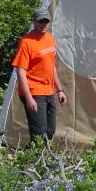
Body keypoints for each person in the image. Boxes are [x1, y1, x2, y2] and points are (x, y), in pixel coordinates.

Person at [11, 8, 67, 144]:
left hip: (49, 91)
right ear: (34, 22)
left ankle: (42, 159)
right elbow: (21, 72)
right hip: (34, 92)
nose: (43, 24)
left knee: (50, 131)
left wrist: (59, 90)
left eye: (46, 21)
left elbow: (51, 66)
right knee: (39, 134)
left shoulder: (49, 38)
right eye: (40, 21)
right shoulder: (26, 42)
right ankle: (36, 162)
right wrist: (29, 98)